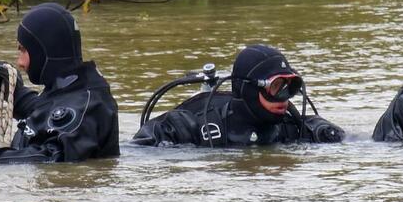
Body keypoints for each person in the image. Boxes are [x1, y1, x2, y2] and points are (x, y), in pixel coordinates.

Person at [0, 2, 119, 165]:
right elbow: (48, 113)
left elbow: (52, 158)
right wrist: (17, 94)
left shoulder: (85, 107)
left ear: (45, 51)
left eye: (23, 50)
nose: (20, 62)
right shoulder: (74, 91)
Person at [133, 44, 344, 147]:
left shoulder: (295, 128)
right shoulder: (188, 126)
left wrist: (327, 133)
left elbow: (354, 144)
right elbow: (137, 151)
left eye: (290, 87)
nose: (284, 98)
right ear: (250, 89)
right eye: (276, 86)